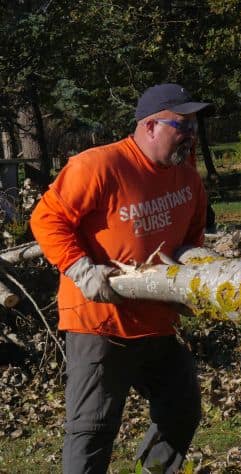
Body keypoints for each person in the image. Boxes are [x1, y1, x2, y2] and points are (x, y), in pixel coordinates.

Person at [30, 83, 211, 473]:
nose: (191, 135)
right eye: (182, 125)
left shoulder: (187, 177)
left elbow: (192, 236)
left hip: (157, 323)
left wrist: (193, 277)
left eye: (194, 126)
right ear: (149, 126)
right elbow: (46, 218)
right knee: (92, 429)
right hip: (100, 324)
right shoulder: (100, 165)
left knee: (181, 407)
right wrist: (80, 269)